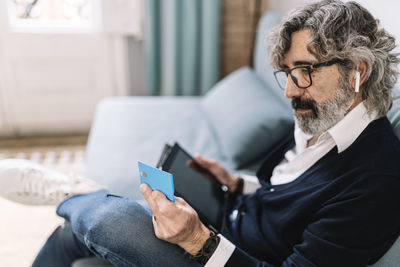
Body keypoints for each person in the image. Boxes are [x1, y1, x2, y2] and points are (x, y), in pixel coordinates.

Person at [1, 0, 400, 266]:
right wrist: (235, 184)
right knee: (74, 230)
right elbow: (285, 192)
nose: (290, 89)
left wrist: (198, 241)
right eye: (288, 73)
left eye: (305, 72)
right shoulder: (320, 116)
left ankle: (76, 191)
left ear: (357, 73)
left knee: (109, 219)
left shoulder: (375, 183)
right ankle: (79, 196)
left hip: (229, 254)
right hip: (227, 218)